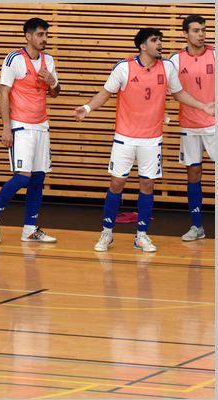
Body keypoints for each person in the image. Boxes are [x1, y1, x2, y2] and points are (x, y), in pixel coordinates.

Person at [73, 28, 214, 252]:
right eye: (154, 40)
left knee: (147, 185)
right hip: (125, 138)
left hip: (152, 139)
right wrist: (87, 108)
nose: (159, 44)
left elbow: (179, 93)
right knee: (117, 183)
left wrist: (203, 106)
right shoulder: (124, 67)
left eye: (160, 40)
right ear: (142, 46)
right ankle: (107, 233)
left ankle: (141, 236)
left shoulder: (167, 67)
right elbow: (105, 93)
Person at [0, 17, 60, 245]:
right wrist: (6, 127)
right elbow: (3, 92)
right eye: (40, 34)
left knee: (38, 178)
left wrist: (53, 82)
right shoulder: (14, 58)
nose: (44, 38)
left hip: (41, 126)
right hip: (21, 126)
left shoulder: (48, 60)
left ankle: (29, 229)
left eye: (46, 34)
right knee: (23, 176)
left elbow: (55, 93)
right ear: (28, 36)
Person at [169, 15, 215, 241]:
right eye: (196, 30)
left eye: (203, 30)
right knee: (193, 173)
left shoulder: (214, 53)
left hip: (214, 124)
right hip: (189, 125)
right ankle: (197, 226)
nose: (201, 34)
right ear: (185, 34)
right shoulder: (175, 60)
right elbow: (165, 88)